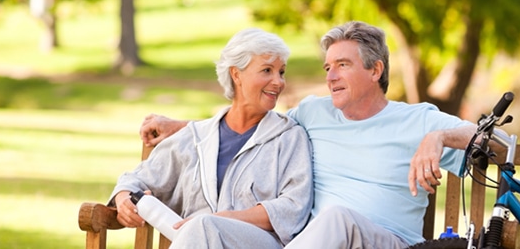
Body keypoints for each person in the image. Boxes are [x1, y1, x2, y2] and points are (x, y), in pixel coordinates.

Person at [140, 21, 478, 248]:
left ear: (375, 70)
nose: (331, 76)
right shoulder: (314, 113)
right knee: (205, 228)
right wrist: (183, 127)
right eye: (328, 67)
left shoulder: (417, 120)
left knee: (338, 217)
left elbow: (493, 142)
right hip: (311, 242)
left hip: (386, 241)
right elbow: (253, 118)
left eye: (342, 65)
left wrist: (440, 138)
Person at [108, 28, 313, 248]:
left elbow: (293, 207)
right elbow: (136, 179)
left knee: (204, 225)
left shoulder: (290, 138)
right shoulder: (194, 138)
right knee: (203, 227)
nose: (278, 82)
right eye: (267, 70)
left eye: (281, 72)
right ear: (236, 75)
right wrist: (123, 198)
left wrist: (220, 219)